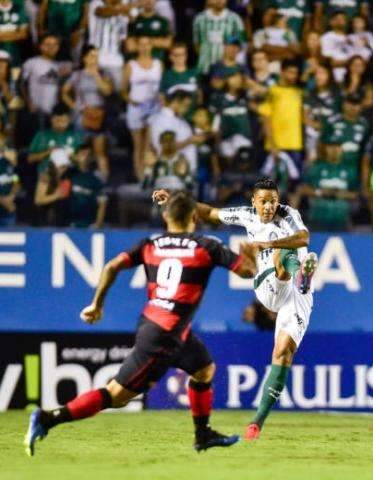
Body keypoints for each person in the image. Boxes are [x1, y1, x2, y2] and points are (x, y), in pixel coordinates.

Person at [25, 192, 259, 456]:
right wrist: (253, 254)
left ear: (165, 216)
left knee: (204, 369)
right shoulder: (207, 246)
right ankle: (47, 418)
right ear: (195, 217)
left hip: (163, 326)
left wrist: (97, 304)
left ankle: (202, 434)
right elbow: (248, 272)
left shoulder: (150, 244)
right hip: (164, 336)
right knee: (116, 395)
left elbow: (112, 266)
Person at [152, 178, 319, 441]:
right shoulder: (246, 215)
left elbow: (304, 237)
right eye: (263, 201)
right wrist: (174, 199)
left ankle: (256, 423)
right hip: (268, 284)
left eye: (273, 201)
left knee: (283, 353)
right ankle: (297, 273)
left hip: (298, 295)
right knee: (284, 257)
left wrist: (266, 245)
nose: (268, 207)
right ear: (254, 201)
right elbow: (208, 213)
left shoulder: (289, 214)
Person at [62, 45, 113, 179]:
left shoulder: (104, 73)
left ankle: (102, 182)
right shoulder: (77, 75)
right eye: (91, 56)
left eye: (96, 56)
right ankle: (80, 180)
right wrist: (75, 106)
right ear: (84, 58)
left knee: (100, 153)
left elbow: (107, 91)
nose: (94, 59)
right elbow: (64, 93)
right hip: (81, 116)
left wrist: (96, 74)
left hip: (99, 115)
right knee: (81, 151)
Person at [122, 35, 163, 180]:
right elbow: (123, 90)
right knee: (138, 145)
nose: (145, 47)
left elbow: (162, 88)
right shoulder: (131, 65)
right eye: (142, 44)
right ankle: (140, 177)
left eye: (147, 44)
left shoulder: (158, 64)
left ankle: (148, 175)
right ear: (137, 46)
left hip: (154, 106)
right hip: (136, 107)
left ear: (151, 46)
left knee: (149, 144)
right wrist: (130, 100)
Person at [295, 137, 358, 231]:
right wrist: (320, 192)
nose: (334, 150)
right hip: (318, 217)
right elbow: (301, 189)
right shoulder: (316, 168)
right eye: (331, 147)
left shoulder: (350, 170)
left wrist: (341, 194)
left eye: (337, 147)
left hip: (342, 218)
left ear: (342, 149)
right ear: (325, 149)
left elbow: (357, 194)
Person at [193, 0, 246, 75]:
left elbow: (242, 42)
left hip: (227, 70)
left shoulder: (235, 19)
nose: (219, 0)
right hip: (204, 68)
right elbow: (196, 43)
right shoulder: (199, 19)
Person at [68, 144, 107, 228]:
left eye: (88, 155)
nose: (85, 158)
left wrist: (98, 224)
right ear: (77, 156)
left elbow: (102, 202)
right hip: (69, 223)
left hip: (89, 224)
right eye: (82, 154)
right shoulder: (69, 173)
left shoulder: (96, 178)